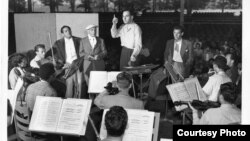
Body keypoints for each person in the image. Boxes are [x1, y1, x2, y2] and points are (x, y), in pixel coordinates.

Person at [51, 25, 82, 98]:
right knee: (69, 84)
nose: (68, 32)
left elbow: (82, 52)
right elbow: (56, 56)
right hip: (67, 65)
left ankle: (79, 100)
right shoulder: (58, 43)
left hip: (77, 64)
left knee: (79, 84)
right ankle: (68, 101)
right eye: (66, 31)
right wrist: (63, 64)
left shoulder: (79, 40)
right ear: (62, 34)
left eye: (69, 30)